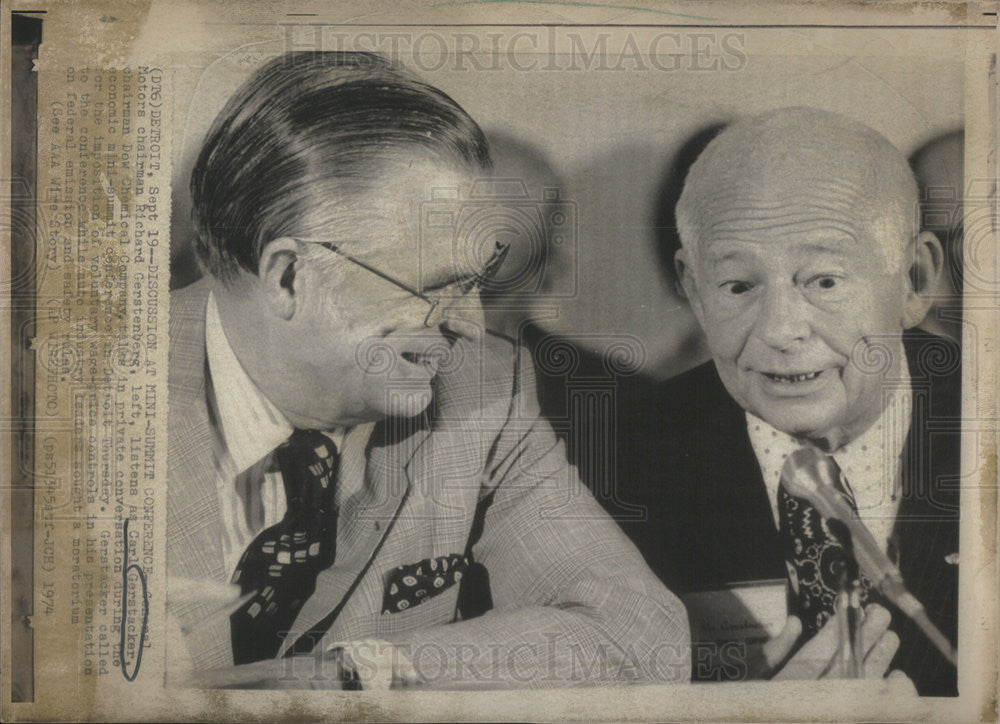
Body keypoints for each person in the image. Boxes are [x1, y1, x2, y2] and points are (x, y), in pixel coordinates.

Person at [166, 51, 689, 689]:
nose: (471, 324)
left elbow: (640, 634)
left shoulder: (488, 391)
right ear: (289, 277)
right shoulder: (73, 409)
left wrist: (356, 678)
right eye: (434, 288)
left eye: (477, 283)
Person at [609, 108, 959, 695]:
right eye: (739, 286)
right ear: (693, 289)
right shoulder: (616, 459)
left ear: (914, 280)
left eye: (823, 280)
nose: (779, 330)